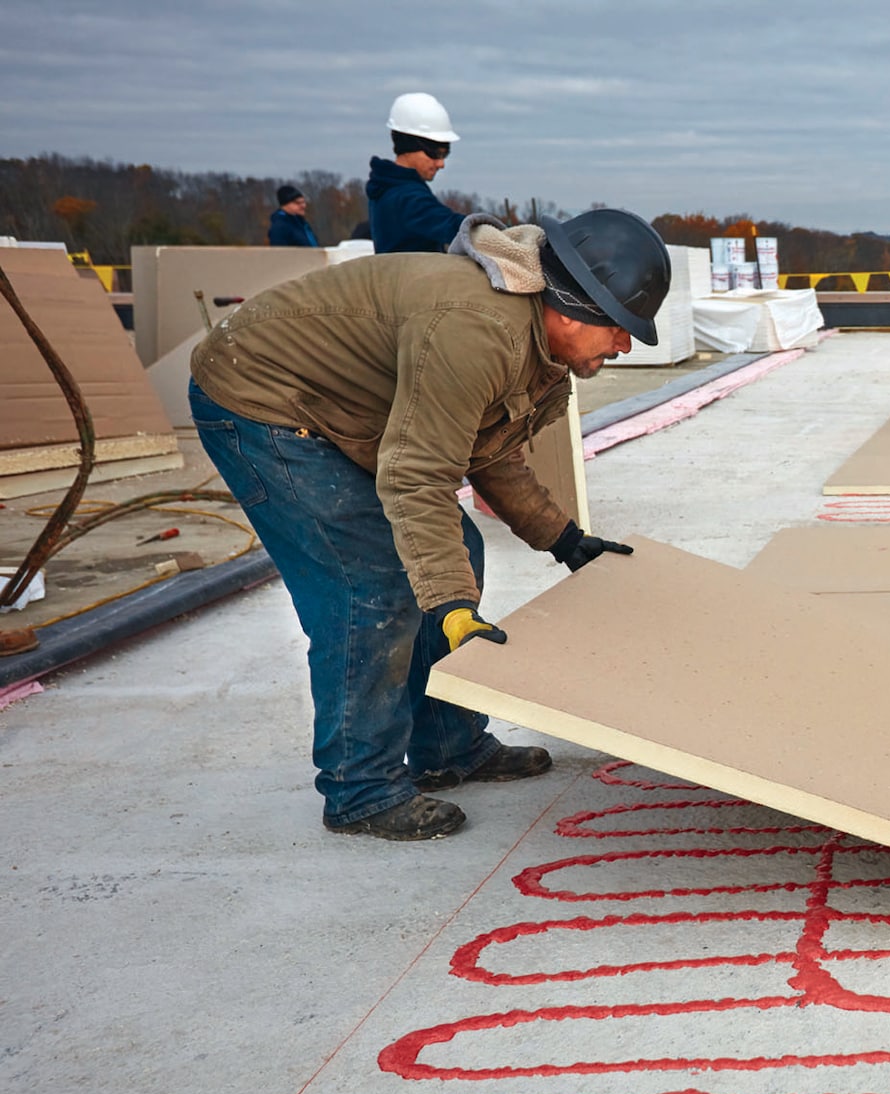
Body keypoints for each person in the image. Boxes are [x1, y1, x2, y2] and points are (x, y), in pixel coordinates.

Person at [186, 208, 672, 841]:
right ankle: (360, 788)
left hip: (338, 406)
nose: (624, 346)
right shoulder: (476, 331)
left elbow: (488, 451)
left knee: (456, 549)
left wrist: (562, 538)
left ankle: (447, 746)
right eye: (619, 329)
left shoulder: (536, 344)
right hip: (262, 399)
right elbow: (417, 476)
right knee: (372, 586)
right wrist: (450, 603)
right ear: (573, 310)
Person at [366, 92, 465, 254]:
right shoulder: (407, 197)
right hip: (413, 271)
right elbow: (452, 227)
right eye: (435, 154)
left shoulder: (386, 187)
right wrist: (492, 231)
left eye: (444, 155)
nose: (441, 164)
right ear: (408, 147)